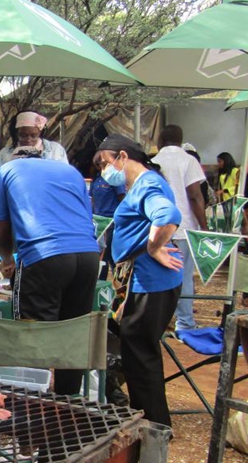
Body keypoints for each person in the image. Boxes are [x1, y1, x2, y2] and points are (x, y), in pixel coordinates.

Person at [0, 146, 100, 396]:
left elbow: (0, 226)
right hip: (88, 256)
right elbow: (87, 216)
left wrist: (7, 258)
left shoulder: (3, 171)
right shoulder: (70, 171)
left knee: (33, 337)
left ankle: (33, 411)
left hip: (43, 256)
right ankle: (68, 404)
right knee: (72, 333)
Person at [94, 134, 183, 428]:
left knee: (140, 355)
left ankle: (154, 426)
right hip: (138, 279)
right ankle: (145, 416)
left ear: (121, 156)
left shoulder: (148, 184)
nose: (104, 171)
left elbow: (168, 214)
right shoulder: (140, 185)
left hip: (149, 282)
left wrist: (154, 247)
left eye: (105, 163)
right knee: (135, 351)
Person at [151, 124, 207, 332]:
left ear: (161, 140)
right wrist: (203, 226)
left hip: (157, 228)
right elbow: (194, 194)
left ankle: (161, 321)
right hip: (183, 227)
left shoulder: (153, 162)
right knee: (183, 276)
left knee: (160, 274)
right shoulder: (188, 160)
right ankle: (185, 323)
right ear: (180, 139)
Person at [90, 159, 126, 279]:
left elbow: (122, 198)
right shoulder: (96, 178)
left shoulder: (114, 179)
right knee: (100, 256)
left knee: (109, 256)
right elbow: (92, 199)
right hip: (97, 223)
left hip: (111, 222)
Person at [0, 110, 68, 169]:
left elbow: (64, 176)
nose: (28, 140)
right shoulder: (5, 154)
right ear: (16, 133)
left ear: (40, 132)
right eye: (23, 135)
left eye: (33, 136)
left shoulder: (56, 150)